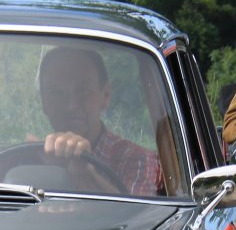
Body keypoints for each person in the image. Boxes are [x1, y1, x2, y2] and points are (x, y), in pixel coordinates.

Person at [37, 46, 162, 196]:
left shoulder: (138, 160)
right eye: (56, 93)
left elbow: (140, 210)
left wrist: (86, 172)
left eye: (83, 90)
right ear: (44, 102)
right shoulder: (28, 158)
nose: (71, 105)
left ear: (105, 95)